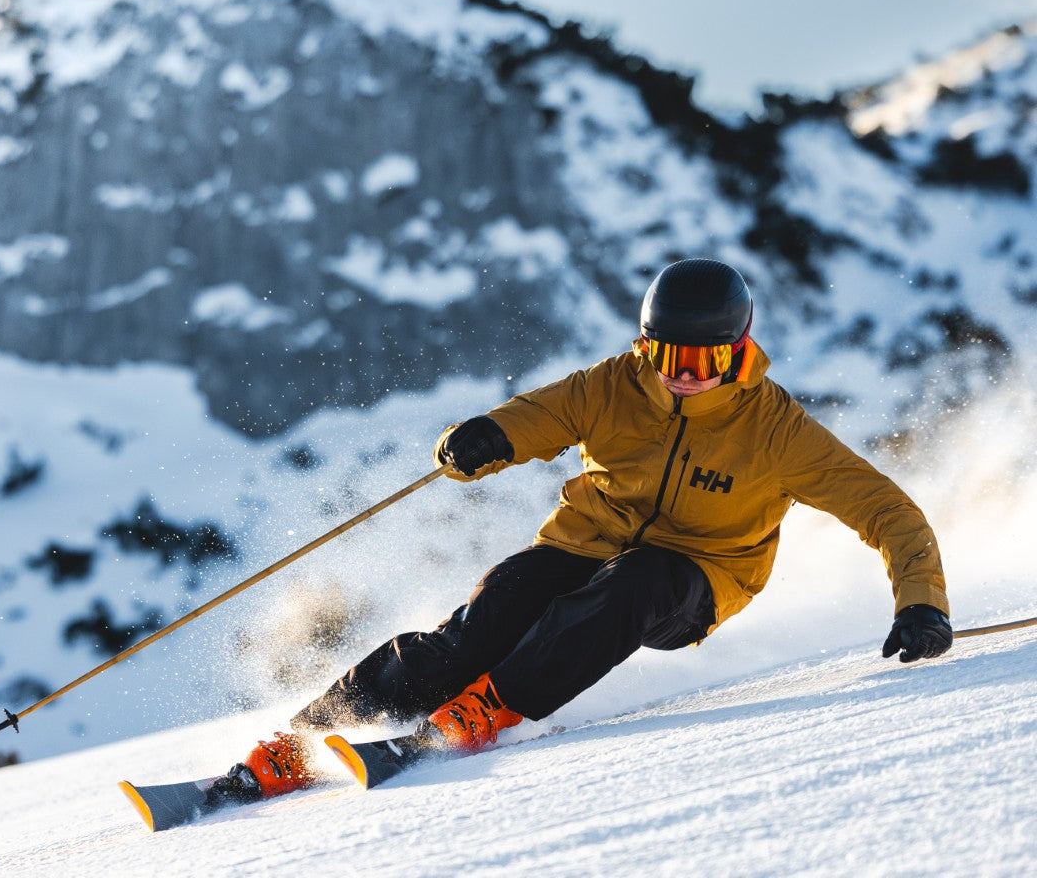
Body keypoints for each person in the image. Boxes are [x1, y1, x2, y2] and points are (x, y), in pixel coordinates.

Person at [207, 258, 952, 805]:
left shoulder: (777, 430)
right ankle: (301, 739)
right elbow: (539, 415)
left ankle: (489, 708)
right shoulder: (614, 385)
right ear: (646, 345)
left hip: (695, 577)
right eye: (668, 356)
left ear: (739, 351)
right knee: (493, 612)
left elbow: (888, 511)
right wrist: (481, 438)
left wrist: (921, 603)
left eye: (706, 360)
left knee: (633, 585)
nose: (684, 375)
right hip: (585, 540)